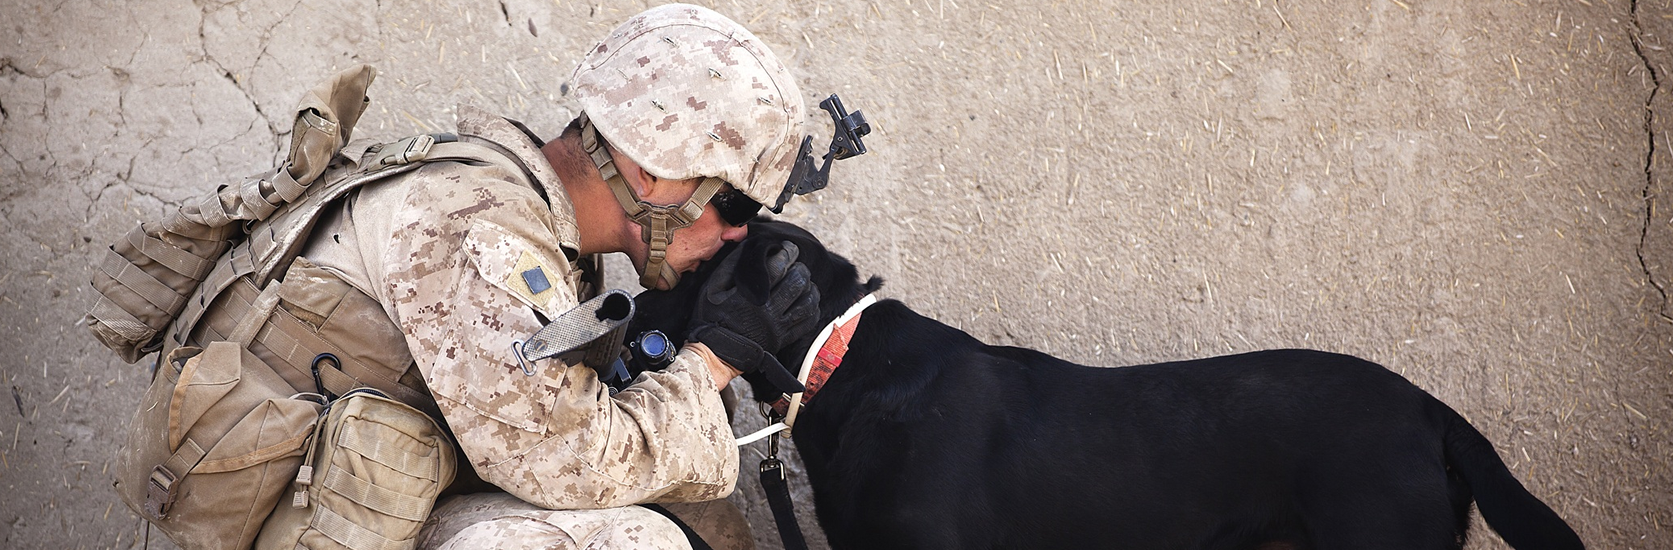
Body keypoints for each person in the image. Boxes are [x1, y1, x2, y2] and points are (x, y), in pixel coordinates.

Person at [289, 4, 826, 548]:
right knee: (631, 541)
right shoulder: (478, 225)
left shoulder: (543, 228)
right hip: (305, 512)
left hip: (378, 494)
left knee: (708, 521)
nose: (738, 234)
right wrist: (715, 360)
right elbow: (571, 461)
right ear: (654, 175)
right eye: (734, 207)